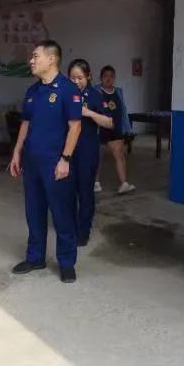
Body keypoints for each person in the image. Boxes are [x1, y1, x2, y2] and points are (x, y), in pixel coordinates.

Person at [10, 40, 82, 283]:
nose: (31, 61)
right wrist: (17, 151)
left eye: (35, 56)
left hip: (55, 163)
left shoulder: (68, 89)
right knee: (34, 211)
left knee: (62, 213)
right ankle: (35, 257)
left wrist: (65, 159)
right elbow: (26, 123)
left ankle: (67, 263)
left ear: (52, 59)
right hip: (32, 163)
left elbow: (75, 127)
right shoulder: (32, 91)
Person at [68, 59, 114, 247]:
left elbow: (109, 122)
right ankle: (69, 226)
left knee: (85, 192)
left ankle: (83, 231)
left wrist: (90, 113)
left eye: (80, 78)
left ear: (88, 77)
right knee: (67, 191)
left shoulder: (95, 96)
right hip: (67, 151)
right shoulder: (65, 94)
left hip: (87, 151)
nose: (76, 82)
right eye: (72, 78)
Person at [95, 65, 135, 195]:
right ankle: (96, 183)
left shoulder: (118, 91)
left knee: (120, 156)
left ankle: (124, 183)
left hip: (116, 129)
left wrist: (127, 127)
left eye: (111, 76)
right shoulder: (95, 91)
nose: (108, 78)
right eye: (106, 76)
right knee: (97, 157)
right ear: (101, 77)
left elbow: (123, 110)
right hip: (99, 129)